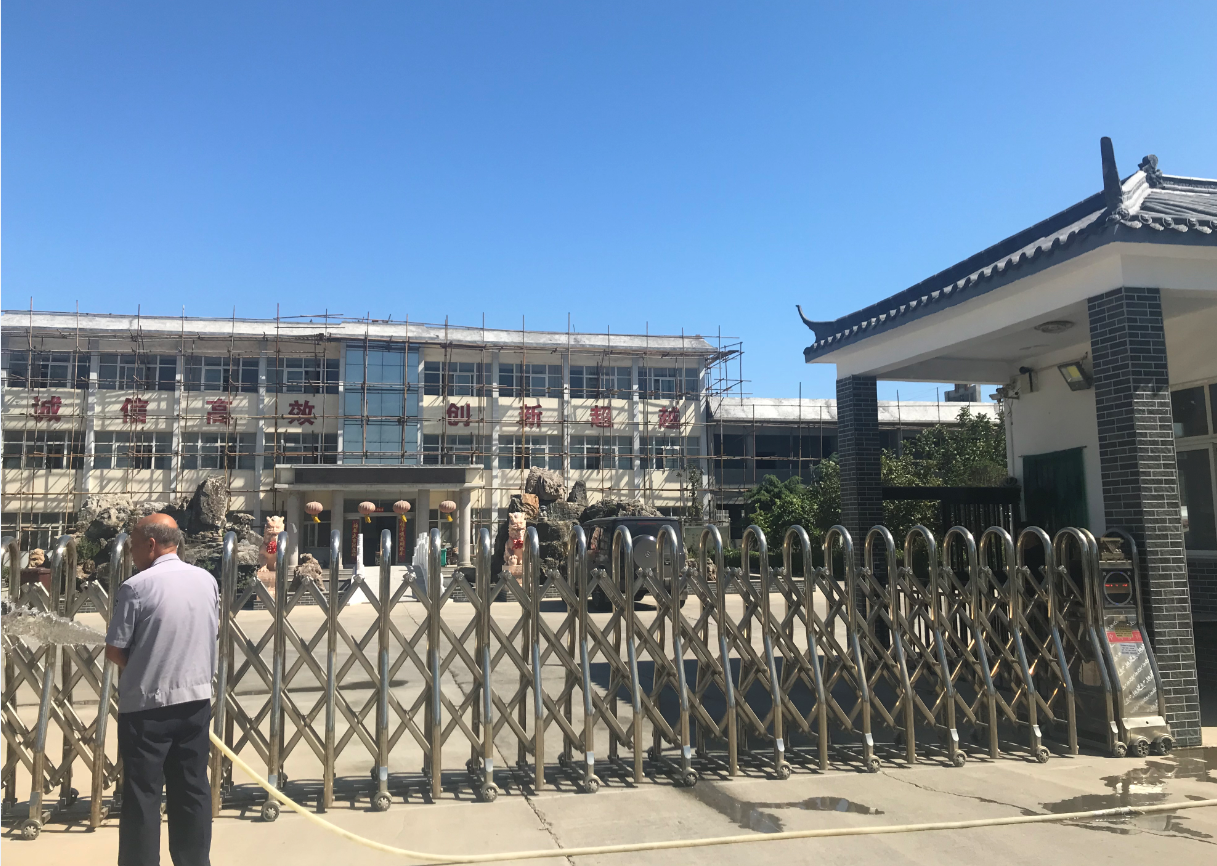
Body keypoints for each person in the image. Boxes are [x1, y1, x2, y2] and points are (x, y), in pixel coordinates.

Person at [105, 513, 218, 866]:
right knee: (192, 790)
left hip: (146, 708)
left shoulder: (136, 587)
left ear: (151, 545)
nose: (132, 552)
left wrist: (147, 663)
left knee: (142, 796)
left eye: (134, 545)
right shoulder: (206, 580)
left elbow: (115, 649)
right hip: (196, 701)